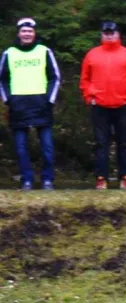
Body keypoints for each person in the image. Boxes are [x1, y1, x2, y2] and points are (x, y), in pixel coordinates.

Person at [80, 21, 126, 190]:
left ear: (118, 34)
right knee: (101, 143)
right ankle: (101, 178)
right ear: (101, 34)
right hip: (99, 106)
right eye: (106, 32)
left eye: (112, 32)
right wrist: (89, 97)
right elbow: (84, 80)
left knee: (124, 143)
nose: (109, 35)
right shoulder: (92, 55)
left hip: (122, 105)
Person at [0, 18, 60, 190]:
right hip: (18, 106)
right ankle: (26, 179)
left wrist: (49, 99)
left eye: (30, 31)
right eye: (24, 31)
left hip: (41, 104)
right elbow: (2, 80)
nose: (27, 34)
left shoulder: (44, 51)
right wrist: (8, 99)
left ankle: (47, 179)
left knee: (47, 147)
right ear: (19, 33)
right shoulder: (9, 53)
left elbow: (54, 77)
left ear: (34, 33)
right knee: (20, 148)